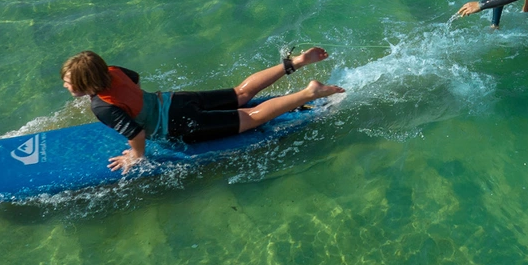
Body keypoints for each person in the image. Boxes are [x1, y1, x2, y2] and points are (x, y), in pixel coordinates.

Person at [60, 48, 344, 173]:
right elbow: (135, 80)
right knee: (240, 93)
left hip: (178, 122)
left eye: (70, 82)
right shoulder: (112, 71)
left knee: (252, 117)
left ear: (88, 83)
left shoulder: (101, 106)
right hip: (175, 100)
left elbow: (136, 134)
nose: (65, 85)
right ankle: (293, 62)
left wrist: (136, 157)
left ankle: (309, 92)